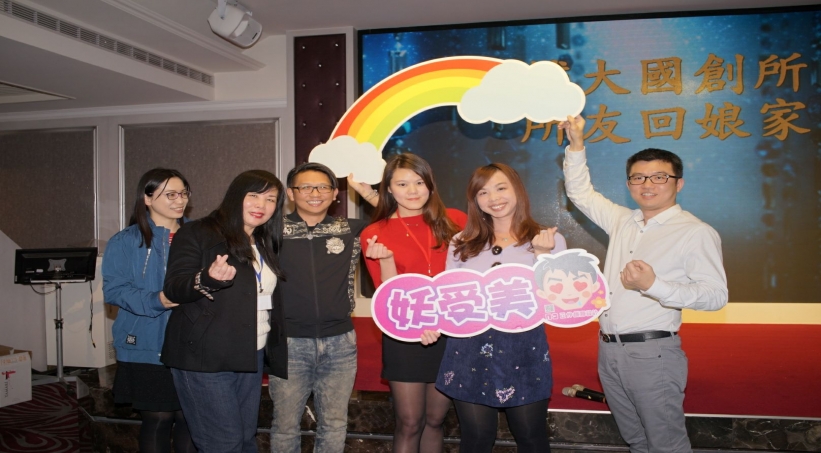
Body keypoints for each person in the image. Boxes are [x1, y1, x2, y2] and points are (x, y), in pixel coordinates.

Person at [559, 116, 728, 453]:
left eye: (659, 176)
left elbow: (715, 296)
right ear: (629, 183)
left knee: (666, 444)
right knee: (635, 439)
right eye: (638, 177)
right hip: (608, 349)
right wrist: (576, 144)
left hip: (653, 353)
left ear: (678, 183)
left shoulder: (695, 232)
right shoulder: (623, 220)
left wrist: (654, 285)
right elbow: (580, 193)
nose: (647, 184)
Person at [425, 163, 566, 453]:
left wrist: (542, 255)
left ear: (517, 190)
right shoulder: (461, 242)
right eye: (483, 192)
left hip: (524, 348)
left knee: (531, 436)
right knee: (476, 438)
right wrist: (432, 324)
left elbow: (557, 302)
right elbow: (449, 297)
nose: (494, 198)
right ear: (475, 200)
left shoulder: (547, 239)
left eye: (501, 188)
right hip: (468, 347)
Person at [161, 170, 285, 453]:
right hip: (204, 355)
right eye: (253, 196)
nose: (261, 205)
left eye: (270, 199)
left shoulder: (265, 240)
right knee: (223, 443)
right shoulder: (198, 232)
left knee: (245, 438)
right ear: (236, 196)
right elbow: (174, 287)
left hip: (250, 352)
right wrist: (206, 278)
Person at [361, 153, 467, 453]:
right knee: (409, 422)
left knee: (435, 420)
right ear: (389, 189)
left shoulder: (456, 220)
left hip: (450, 331)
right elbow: (388, 295)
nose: (412, 191)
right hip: (406, 334)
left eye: (419, 182)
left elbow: (469, 275)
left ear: (430, 185)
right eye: (402, 184)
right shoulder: (374, 233)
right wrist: (386, 260)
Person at [266, 162, 372, 453]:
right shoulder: (271, 231)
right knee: (285, 425)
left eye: (323, 187)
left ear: (335, 193)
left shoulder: (350, 229)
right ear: (291, 193)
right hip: (288, 342)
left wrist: (368, 194)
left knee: (335, 424)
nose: (315, 193)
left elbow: (397, 218)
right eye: (306, 187)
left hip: (340, 342)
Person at [102, 168, 196, 453]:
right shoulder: (126, 240)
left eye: (183, 193)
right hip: (145, 343)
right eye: (170, 194)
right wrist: (159, 300)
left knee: (190, 420)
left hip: (192, 343)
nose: (179, 200)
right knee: (158, 418)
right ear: (147, 198)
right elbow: (115, 290)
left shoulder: (199, 236)